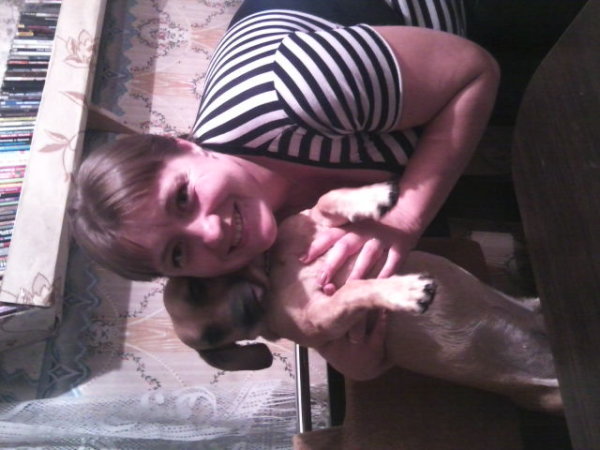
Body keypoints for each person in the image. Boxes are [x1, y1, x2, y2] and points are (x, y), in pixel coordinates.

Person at [69, 0, 499, 296]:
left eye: (182, 198)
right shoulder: (251, 250)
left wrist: (405, 216)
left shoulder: (298, 89)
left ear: (182, 146)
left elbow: (474, 71)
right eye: (178, 253)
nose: (211, 233)